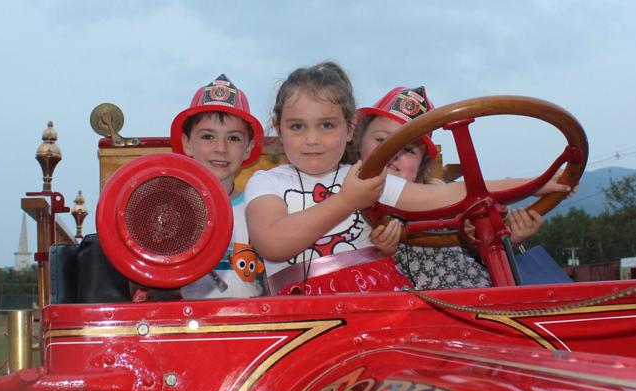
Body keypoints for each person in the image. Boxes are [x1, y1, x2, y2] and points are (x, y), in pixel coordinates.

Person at [244, 62, 567, 296]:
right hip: (301, 314)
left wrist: (536, 181)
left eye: (326, 125)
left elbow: (448, 195)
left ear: (350, 128)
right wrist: (347, 202)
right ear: (277, 125)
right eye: (297, 126)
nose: (312, 139)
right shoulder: (267, 182)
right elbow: (272, 244)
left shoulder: (368, 179)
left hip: (378, 300)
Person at [358, 85, 544, 289]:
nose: (393, 153)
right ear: (357, 142)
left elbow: (479, 253)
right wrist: (535, 184)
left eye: (409, 150)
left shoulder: (444, 208)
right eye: (382, 141)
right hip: (419, 310)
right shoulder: (352, 193)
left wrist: (508, 239)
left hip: (479, 297)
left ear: (421, 165)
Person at [170, 74, 265, 298]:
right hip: (183, 327)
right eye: (208, 137)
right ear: (186, 143)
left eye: (233, 138)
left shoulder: (259, 209)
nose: (221, 148)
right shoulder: (168, 211)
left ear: (249, 148)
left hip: (249, 328)